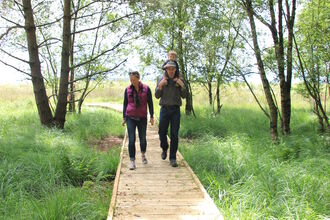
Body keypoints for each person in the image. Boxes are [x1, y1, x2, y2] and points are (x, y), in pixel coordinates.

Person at [155, 61, 186, 167]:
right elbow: (156, 96)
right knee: (161, 132)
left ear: (175, 69)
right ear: (166, 70)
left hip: (175, 110)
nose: (171, 71)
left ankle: (172, 158)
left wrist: (182, 86)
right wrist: (160, 86)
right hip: (164, 109)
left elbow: (185, 95)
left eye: (173, 69)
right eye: (169, 69)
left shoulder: (180, 79)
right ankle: (164, 148)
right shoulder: (161, 79)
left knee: (174, 134)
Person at [122, 71, 154, 170]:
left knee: (142, 138)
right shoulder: (127, 90)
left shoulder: (146, 89)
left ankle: (143, 155)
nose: (132, 82)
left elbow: (150, 103)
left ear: (138, 78)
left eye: (134, 80)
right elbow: (125, 104)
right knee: (131, 139)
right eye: (131, 80)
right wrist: (124, 117)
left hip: (142, 117)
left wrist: (151, 116)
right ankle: (132, 161)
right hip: (130, 117)